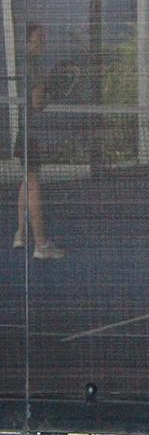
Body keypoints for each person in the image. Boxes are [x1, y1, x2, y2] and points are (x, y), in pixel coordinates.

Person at [12, 23, 65, 259]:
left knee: (26, 182)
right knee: (33, 185)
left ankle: (21, 234)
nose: (43, 41)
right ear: (27, 42)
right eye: (38, 38)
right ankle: (41, 245)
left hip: (24, 132)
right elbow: (37, 103)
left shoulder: (26, 64)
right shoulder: (33, 67)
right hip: (30, 134)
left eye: (44, 37)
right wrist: (48, 96)